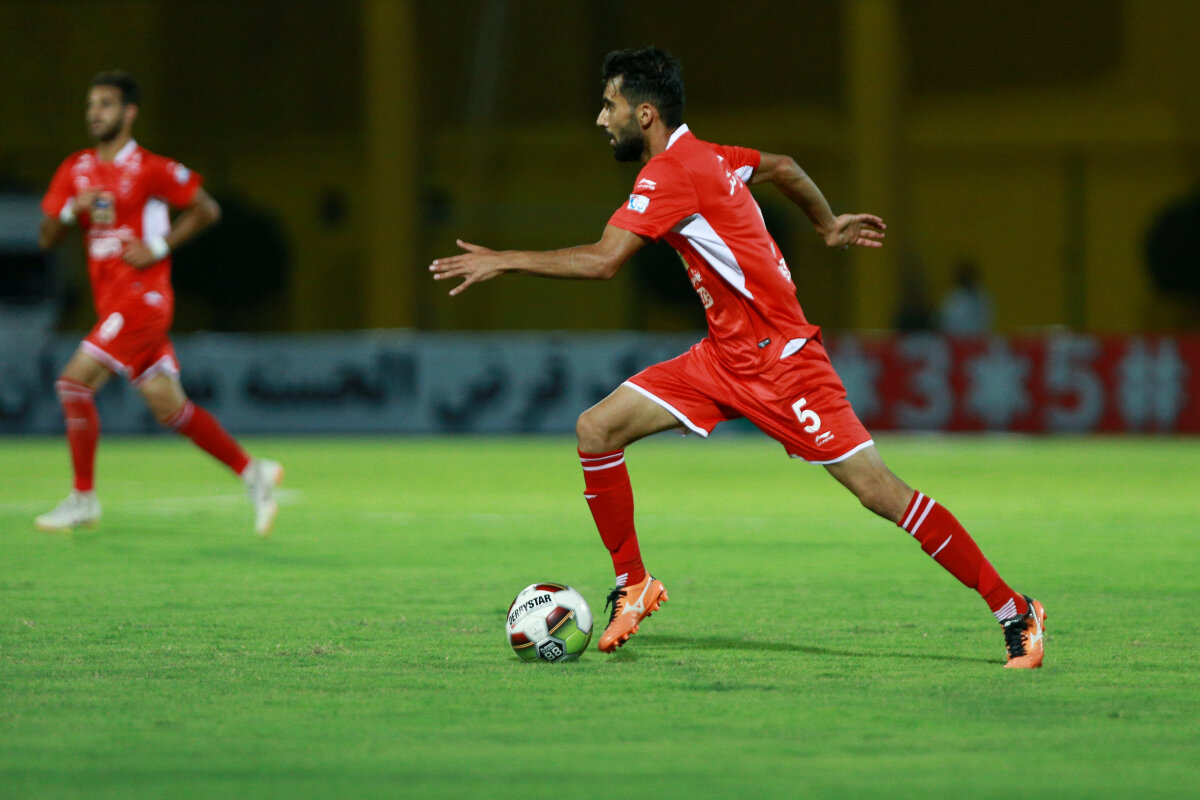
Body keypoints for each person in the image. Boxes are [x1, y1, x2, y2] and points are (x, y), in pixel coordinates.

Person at [429, 48, 1046, 668]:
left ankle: (1015, 610)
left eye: (609, 105)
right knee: (597, 429)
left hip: (785, 366)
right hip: (723, 360)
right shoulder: (714, 157)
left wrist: (504, 260)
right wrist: (827, 224)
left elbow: (603, 261)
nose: (600, 119)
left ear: (644, 115)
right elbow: (784, 167)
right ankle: (633, 583)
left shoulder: (671, 173)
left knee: (881, 493)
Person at [36, 70, 282, 536]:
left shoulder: (150, 168)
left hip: (142, 300)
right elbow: (47, 238)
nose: (95, 113)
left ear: (129, 113)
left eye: (106, 104)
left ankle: (83, 500)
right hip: (113, 304)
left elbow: (206, 208)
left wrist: (159, 245)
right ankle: (254, 473)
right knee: (169, 406)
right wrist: (72, 209)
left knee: (73, 384)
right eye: (91, 105)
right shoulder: (76, 169)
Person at [938, 256, 993, 335]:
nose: (967, 279)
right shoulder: (951, 297)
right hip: (955, 338)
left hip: (977, 338)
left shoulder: (983, 297)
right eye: (964, 276)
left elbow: (987, 321)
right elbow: (945, 322)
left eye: (969, 275)